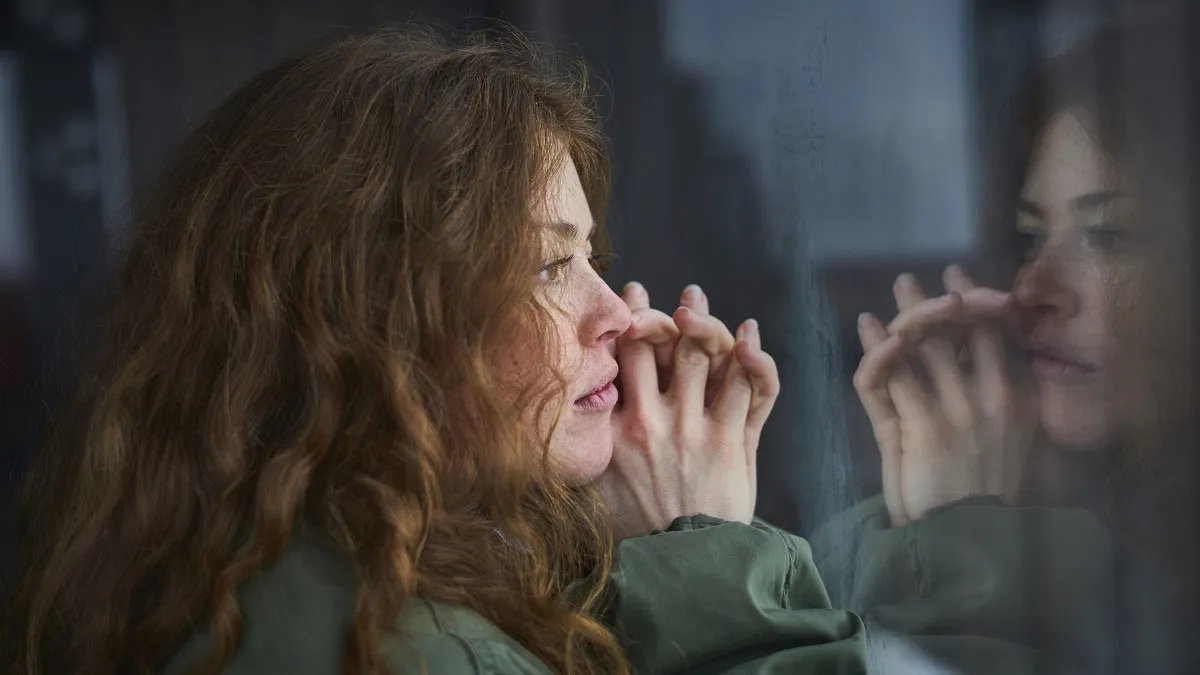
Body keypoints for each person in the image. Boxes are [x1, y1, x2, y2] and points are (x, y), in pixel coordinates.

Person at [2, 26, 867, 675]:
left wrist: (639, 551)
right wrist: (706, 557)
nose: (617, 314)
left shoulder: (333, 570)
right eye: (548, 263)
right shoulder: (388, 641)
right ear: (377, 319)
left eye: (591, 258)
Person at [818, 18, 1199, 675]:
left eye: (1107, 236)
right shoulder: (1061, 500)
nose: (1032, 288)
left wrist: (967, 544)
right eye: (1030, 239)